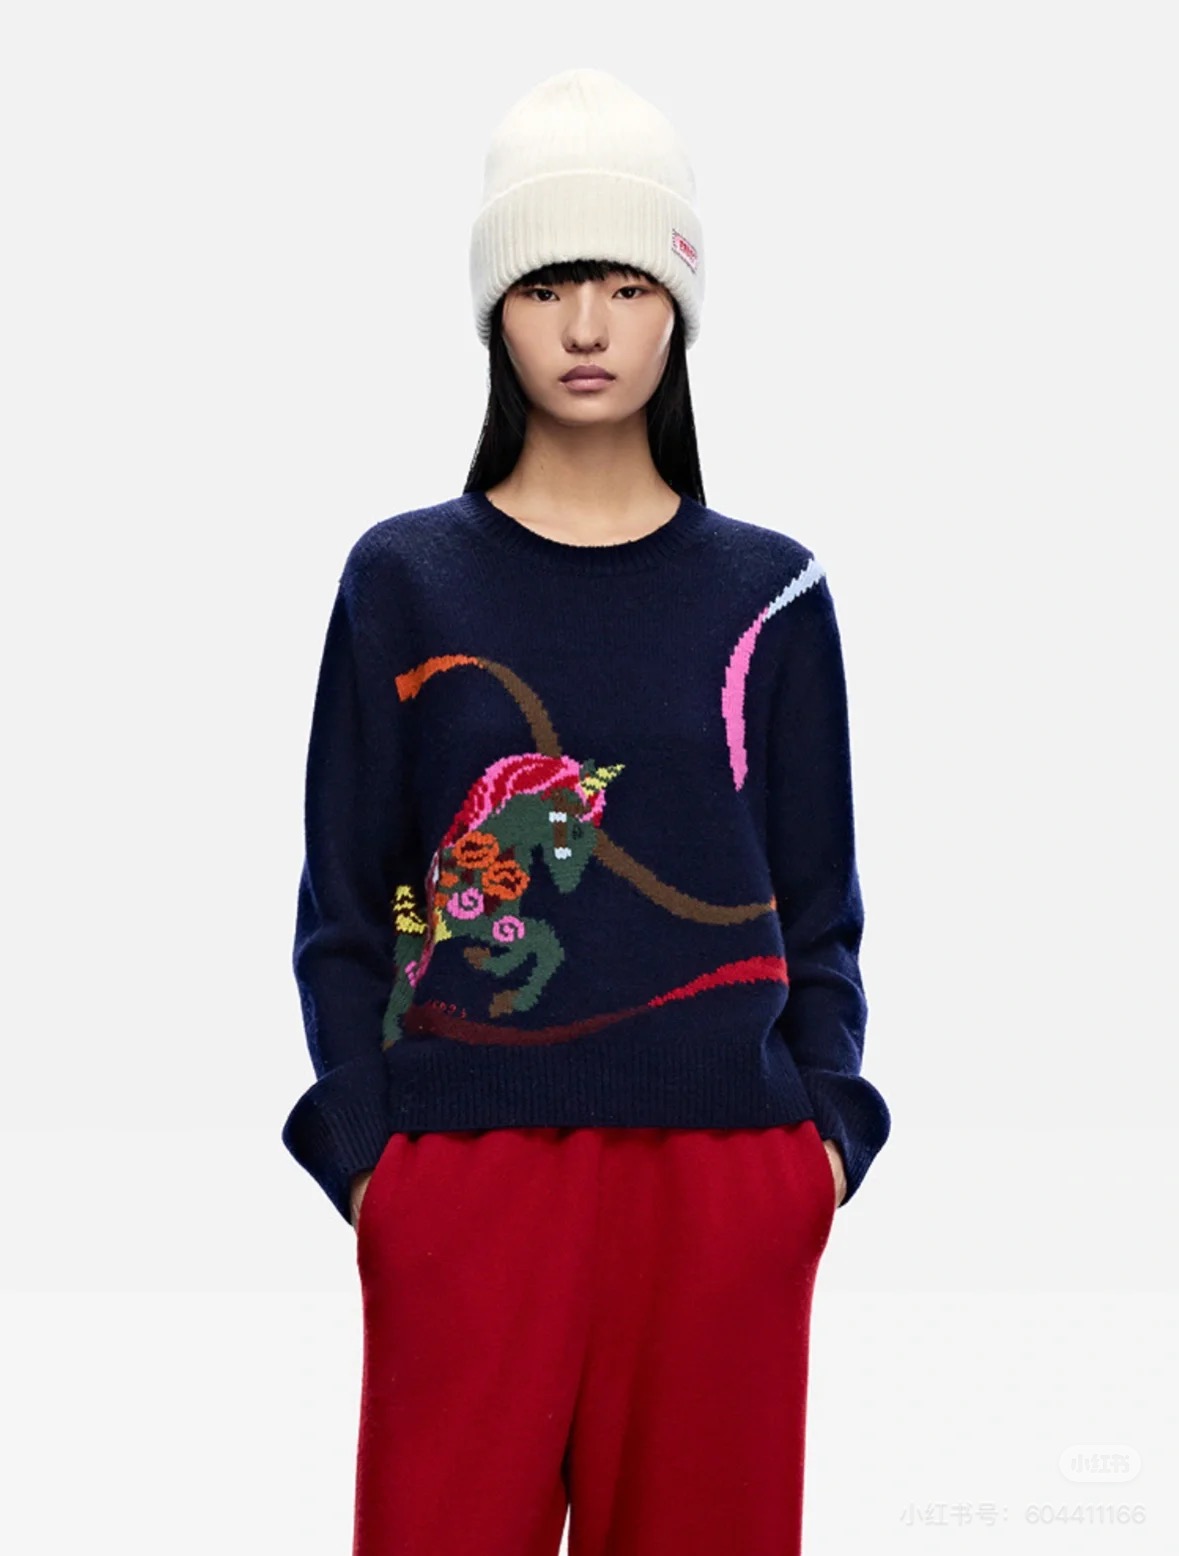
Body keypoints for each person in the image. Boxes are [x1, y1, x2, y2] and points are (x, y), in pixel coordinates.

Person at [282, 65, 891, 1556]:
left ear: (679, 307)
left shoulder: (773, 592)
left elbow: (821, 905)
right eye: (547, 283)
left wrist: (821, 1147)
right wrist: (374, 1163)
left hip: (725, 1184)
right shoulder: (404, 581)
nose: (586, 326)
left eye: (626, 282)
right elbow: (348, 900)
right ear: (496, 312)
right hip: (467, 1181)